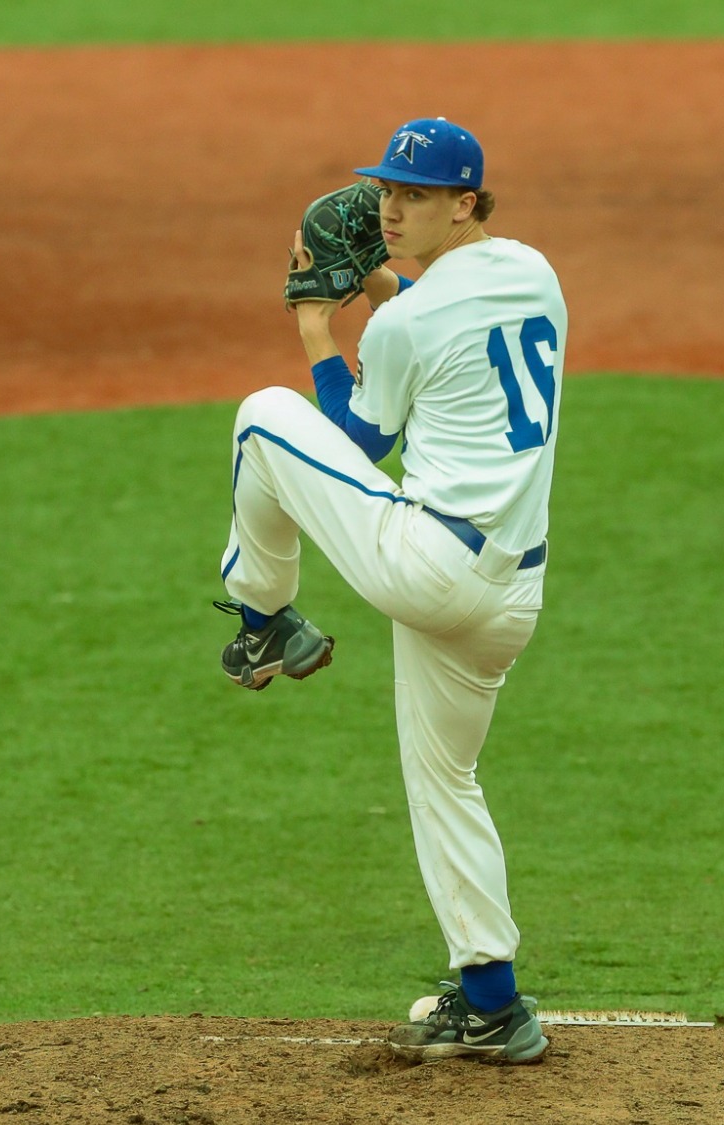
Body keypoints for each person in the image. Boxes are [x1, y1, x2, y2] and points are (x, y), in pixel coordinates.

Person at [212, 117, 565, 1063]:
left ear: (465, 202)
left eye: (414, 195)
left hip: (431, 567)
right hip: (509, 600)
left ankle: (262, 620)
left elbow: (358, 441)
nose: (390, 208)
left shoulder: (408, 320)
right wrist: (378, 283)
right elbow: (441, 320)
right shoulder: (535, 271)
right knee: (446, 779)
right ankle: (494, 1002)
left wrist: (316, 323)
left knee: (263, 419)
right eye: (386, 192)